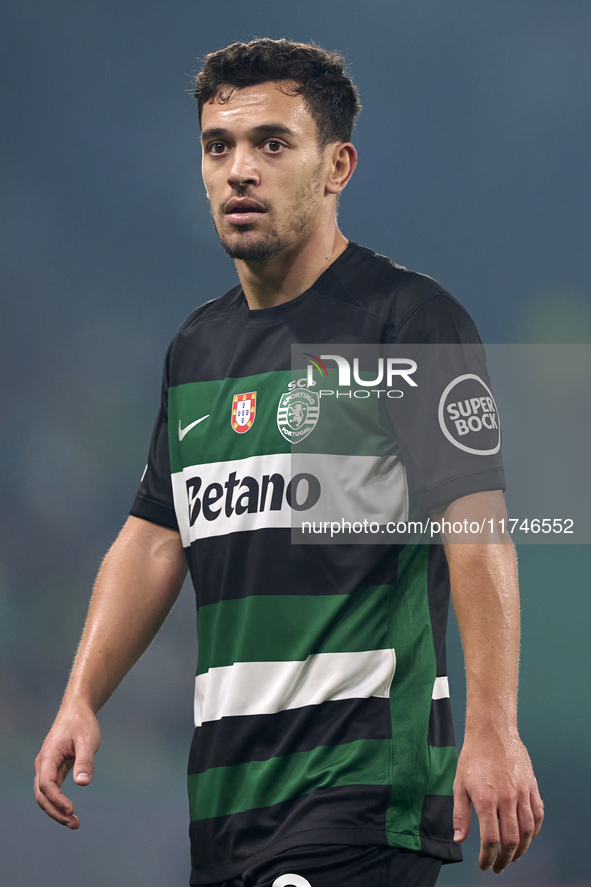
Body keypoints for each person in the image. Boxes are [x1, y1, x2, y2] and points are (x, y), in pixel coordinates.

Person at [34, 38, 544, 887]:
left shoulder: (408, 322)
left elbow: (477, 531)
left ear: (335, 164)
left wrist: (492, 724)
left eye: (271, 143)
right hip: (228, 801)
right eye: (218, 146)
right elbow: (155, 536)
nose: (239, 170)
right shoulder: (196, 347)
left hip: (362, 788)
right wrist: (81, 695)